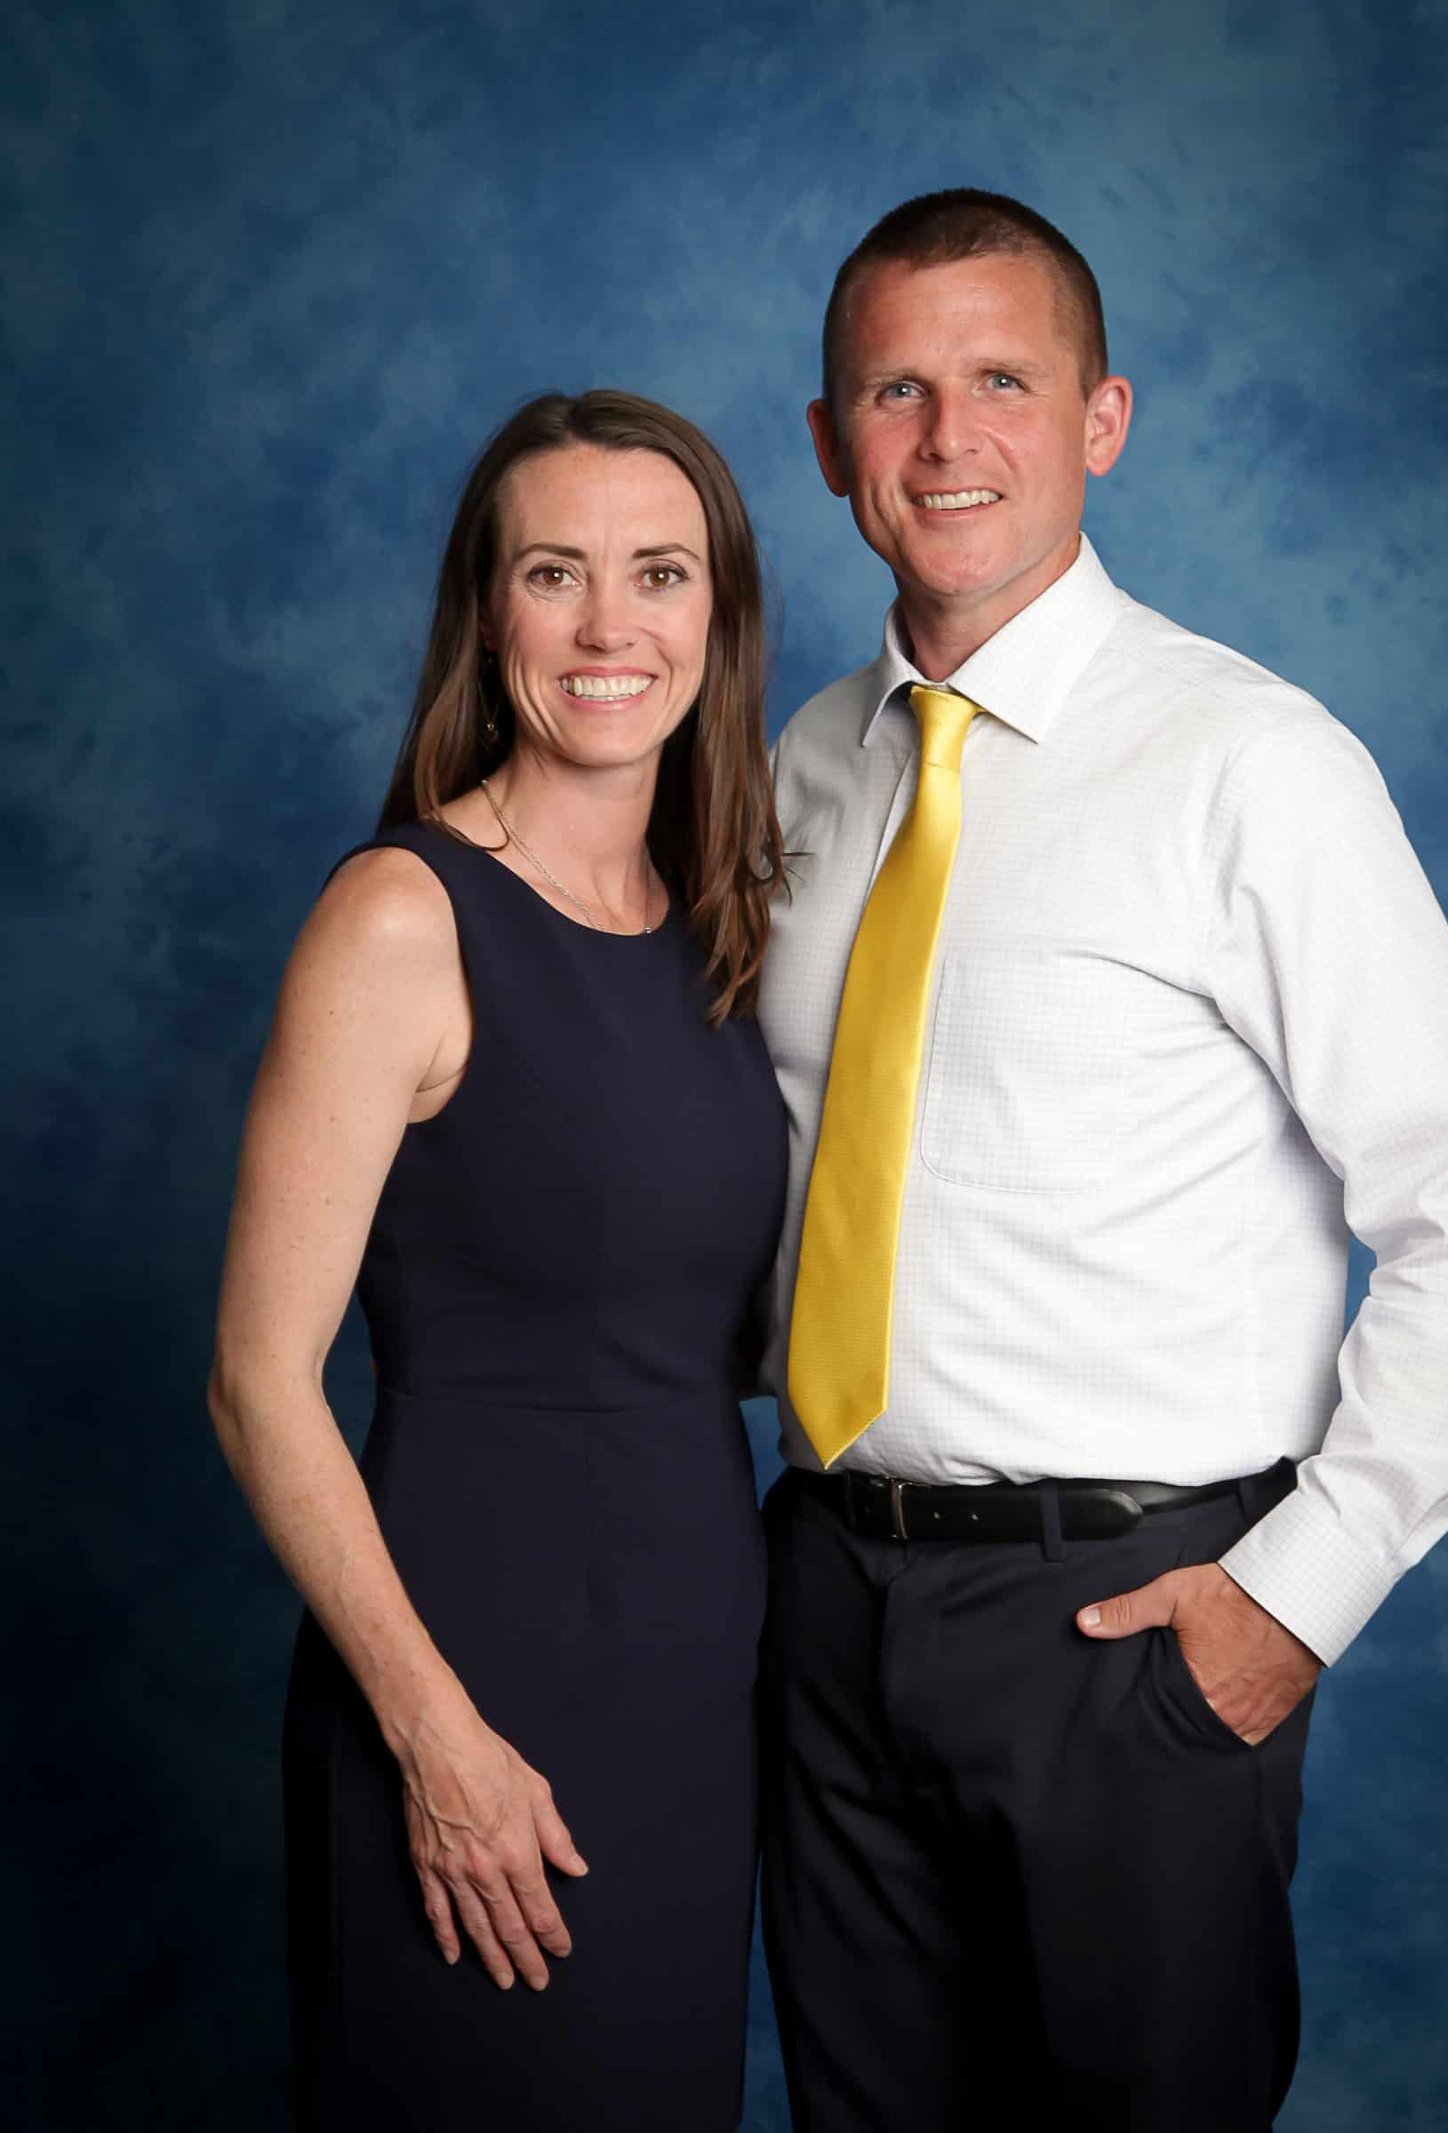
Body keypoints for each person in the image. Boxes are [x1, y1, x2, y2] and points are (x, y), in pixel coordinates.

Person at [755, 190, 1448, 2132]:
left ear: (1100, 419)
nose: (946, 438)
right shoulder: (802, 764)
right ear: (827, 442)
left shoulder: (1248, 761)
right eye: (895, 388)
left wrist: (1294, 1591)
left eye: (1001, 382)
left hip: (1122, 1613)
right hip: (824, 1594)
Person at [207, 389, 787, 2131]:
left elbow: (706, 1331)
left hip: (694, 1691)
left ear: (717, 618)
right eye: (558, 573)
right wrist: (434, 1738)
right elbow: (255, 1383)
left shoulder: (723, 931)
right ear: (491, 611)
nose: (613, 626)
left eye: (660, 573)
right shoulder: (403, 913)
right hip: (467, 1688)